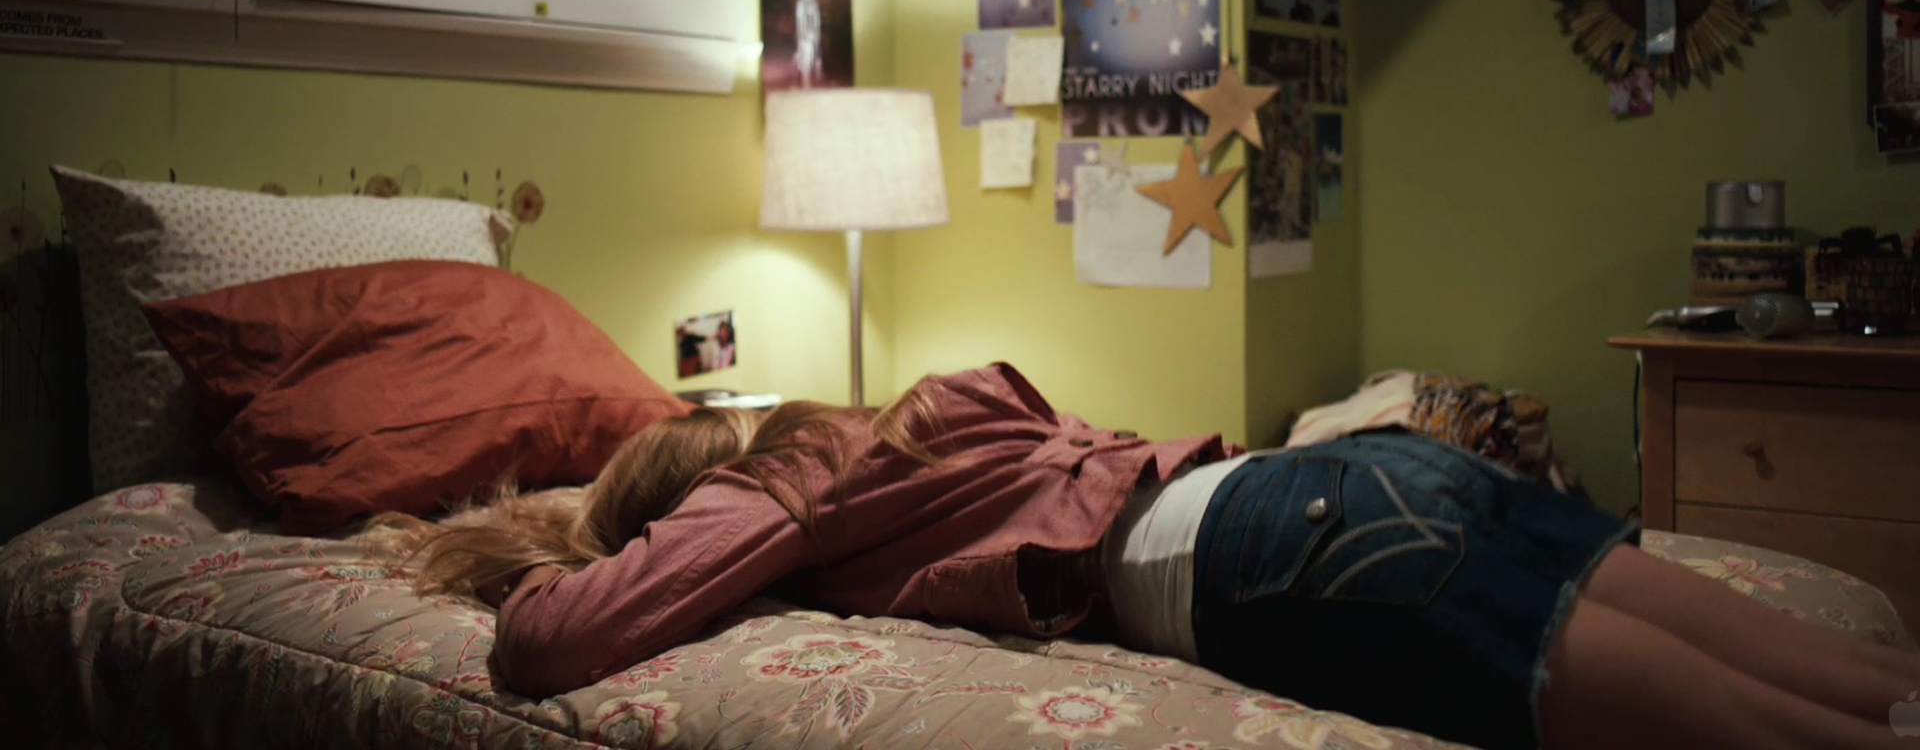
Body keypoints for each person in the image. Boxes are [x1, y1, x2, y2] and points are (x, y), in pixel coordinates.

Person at [379, 364, 1919, 750]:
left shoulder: (781, 477)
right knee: (1852, 682)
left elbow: (547, 645)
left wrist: (581, 550)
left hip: (1281, 552)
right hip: (1361, 470)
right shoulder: (920, 412)